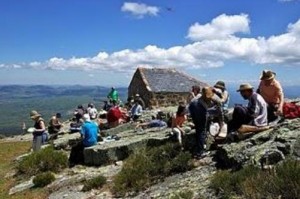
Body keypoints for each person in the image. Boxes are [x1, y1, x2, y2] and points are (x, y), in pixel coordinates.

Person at [189, 87, 223, 159]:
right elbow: (220, 114)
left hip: (192, 105)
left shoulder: (205, 95)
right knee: (202, 130)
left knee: (198, 129)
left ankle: (198, 148)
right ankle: (200, 152)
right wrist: (221, 124)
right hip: (198, 107)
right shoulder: (217, 100)